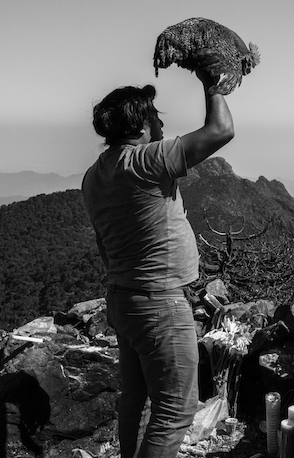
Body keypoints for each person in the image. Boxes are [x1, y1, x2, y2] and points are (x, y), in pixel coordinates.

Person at [82, 70, 233, 458]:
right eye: (155, 116)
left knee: (136, 396)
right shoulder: (145, 162)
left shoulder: (95, 175)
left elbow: (103, 242)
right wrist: (212, 84)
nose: (162, 123)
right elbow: (220, 130)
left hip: (123, 299)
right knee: (175, 410)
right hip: (159, 304)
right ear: (141, 125)